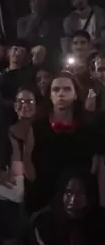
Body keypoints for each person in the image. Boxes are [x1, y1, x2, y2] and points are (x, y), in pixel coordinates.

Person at [24, 74, 97, 214]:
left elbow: (93, 166)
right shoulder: (37, 127)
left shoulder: (87, 127)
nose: (61, 94)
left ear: (76, 94)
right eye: (56, 89)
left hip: (78, 199)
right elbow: (28, 162)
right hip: (43, 197)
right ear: (50, 95)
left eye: (67, 89)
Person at [29, 173, 105, 245]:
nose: (72, 201)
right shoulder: (44, 225)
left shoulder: (100, 221)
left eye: (80, 193)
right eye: (68, 193)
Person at [17, 0, 62, 64]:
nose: (37, 3)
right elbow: (22, 43)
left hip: (51, 60)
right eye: (34, 0)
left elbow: (56, 43)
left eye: (40, 0)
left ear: (45, 1)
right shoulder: (22, 21)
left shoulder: (54, 21)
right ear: (30, 3)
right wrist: (33, 20)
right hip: (29, 60)